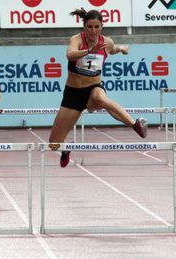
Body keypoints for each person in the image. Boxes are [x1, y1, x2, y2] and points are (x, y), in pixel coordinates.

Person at [49, 8, 147, 168]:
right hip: (73, 94)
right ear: (84, 26)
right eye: (89, 27)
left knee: (100, 98)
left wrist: (121, 48)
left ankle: (135, 124)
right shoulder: (77, 40)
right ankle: (65, 149)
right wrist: (89, 51)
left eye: (96, 27)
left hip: (93, 88)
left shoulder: (107, 42)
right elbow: (70, 54)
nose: (93, 31)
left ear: (102, 26)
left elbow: (112, 50)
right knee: (53, 143)